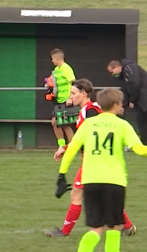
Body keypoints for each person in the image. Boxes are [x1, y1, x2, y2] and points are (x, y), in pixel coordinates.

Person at [56, 88, 147, 252]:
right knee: (114, 228)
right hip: (114, 182)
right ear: (116, 105)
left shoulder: (88, 124)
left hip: (90, 180)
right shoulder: (122, 125)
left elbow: (72, 149)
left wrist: (62, 174)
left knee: (95, 228)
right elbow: (140, 150)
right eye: (121, 103)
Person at [46, 80, 137, 238]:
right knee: (106, 196)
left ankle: (64, 232)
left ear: (84, 94)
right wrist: (67, 148)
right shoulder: (85, 111)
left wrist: (68, 148)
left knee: (77, 195)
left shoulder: (91, 111)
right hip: (94, 160)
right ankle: (128, 227)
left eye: (73, 93)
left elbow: (92, 137)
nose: (70, 97)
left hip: (93, 161)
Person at [107, 59, 147, 148]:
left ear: (117, 67)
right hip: (142, 99)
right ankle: (143, 145)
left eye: (112, 72)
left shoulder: (130, 68)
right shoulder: (122, 76)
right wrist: (124, 105)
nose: (112, 75)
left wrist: (132, 100)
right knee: (141, 122)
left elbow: (135, 84)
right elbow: (126, 90)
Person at [49, 49, 76, 148]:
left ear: (57, 58)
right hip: (58, 101)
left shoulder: (66, 68)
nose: (52, 61)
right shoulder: (56, 70)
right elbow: (53, 81)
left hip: (66, 100)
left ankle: (73, 146)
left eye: (52, 59)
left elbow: (73, 83)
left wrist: (70, 98)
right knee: (55, 122)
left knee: (65, 124)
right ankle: (61, 145)